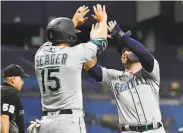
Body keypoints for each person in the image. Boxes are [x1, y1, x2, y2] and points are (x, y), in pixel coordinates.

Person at [28, 4, 108, 133]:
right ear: (69, 36)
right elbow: (101, 42)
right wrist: (103, 20)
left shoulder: (40, 54)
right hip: (68, 121)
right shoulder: (75, 53)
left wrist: (73, 22)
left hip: (45, 122)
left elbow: (53, 37)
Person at [84, 21, 166, 133]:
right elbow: (91, 67)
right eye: (123, 52)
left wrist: (121, 35)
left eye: (128, 50)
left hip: (155, 129)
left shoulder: (151, 71)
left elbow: (145, 55)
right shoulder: (114, 77)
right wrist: (93, 43)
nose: (125, 53)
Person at [1, 64, 29, 133]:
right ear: (13, 79)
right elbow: (4, 118)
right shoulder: (10, 93)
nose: (23, 82)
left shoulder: (3, 91)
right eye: (21, 79)